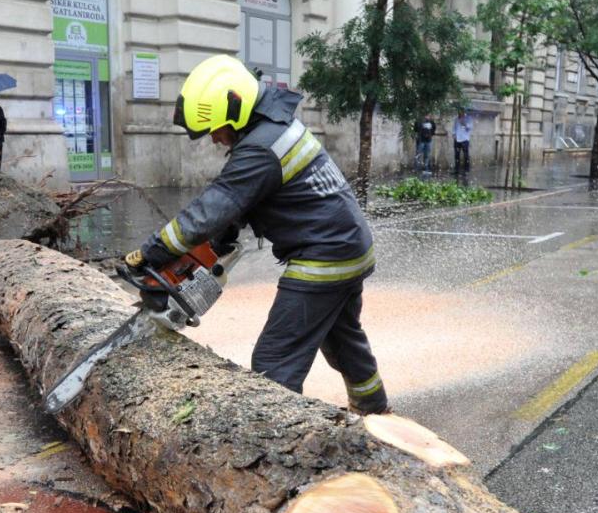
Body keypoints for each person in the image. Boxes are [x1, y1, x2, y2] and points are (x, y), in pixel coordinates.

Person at [128, 54, 388, 414]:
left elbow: (212, 209)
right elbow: (247, 201)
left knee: (273, 362)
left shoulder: (261, 149)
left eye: (216, 129)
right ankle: (373, 410)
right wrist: (216, 243)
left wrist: (154, 251)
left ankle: (276, 439)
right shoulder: (274, 131)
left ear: (236, 112)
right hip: (349, 247)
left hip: (324, 256)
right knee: (341, 337)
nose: (216, 139)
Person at [452, 109, 473, 177]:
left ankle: (466, 170)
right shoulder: (456, 119)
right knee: (457, 155)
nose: (460, 113)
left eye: (461, 112)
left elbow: (469, 128)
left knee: (466, 155)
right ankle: (457, 170)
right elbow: (454, 128)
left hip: (465, 139)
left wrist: (464, 123)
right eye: (459, 112)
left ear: (464, 112)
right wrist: (454, 134)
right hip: (457, 139)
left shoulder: (468, 118)